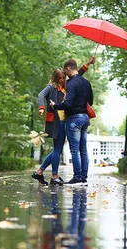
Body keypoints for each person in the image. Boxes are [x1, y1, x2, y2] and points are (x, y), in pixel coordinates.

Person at [32, 58, 94, 186]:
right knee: (58, 150)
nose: (63, 80)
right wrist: (41, 107)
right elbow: (40, 95)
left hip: (66, 121)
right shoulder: (51, 87)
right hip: (56, 121)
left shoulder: (67, 86)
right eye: (60, 78)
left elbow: (78, 76)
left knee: (57, 150)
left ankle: (40, 171)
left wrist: (87, 65)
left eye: (64, 77)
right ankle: (54, 175)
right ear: (56, 78)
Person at [50, 58, 94, 185]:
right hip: (85, 118)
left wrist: (55, 105)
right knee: (83, 150)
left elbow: (68, 104)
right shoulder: (86, 82)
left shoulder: (71, 84)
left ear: (68, 68)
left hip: (74, 119)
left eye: (65, 71)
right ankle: (83, 176)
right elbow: (90, 101)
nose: (65, 74)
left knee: (74, 150)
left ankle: (77, 177)